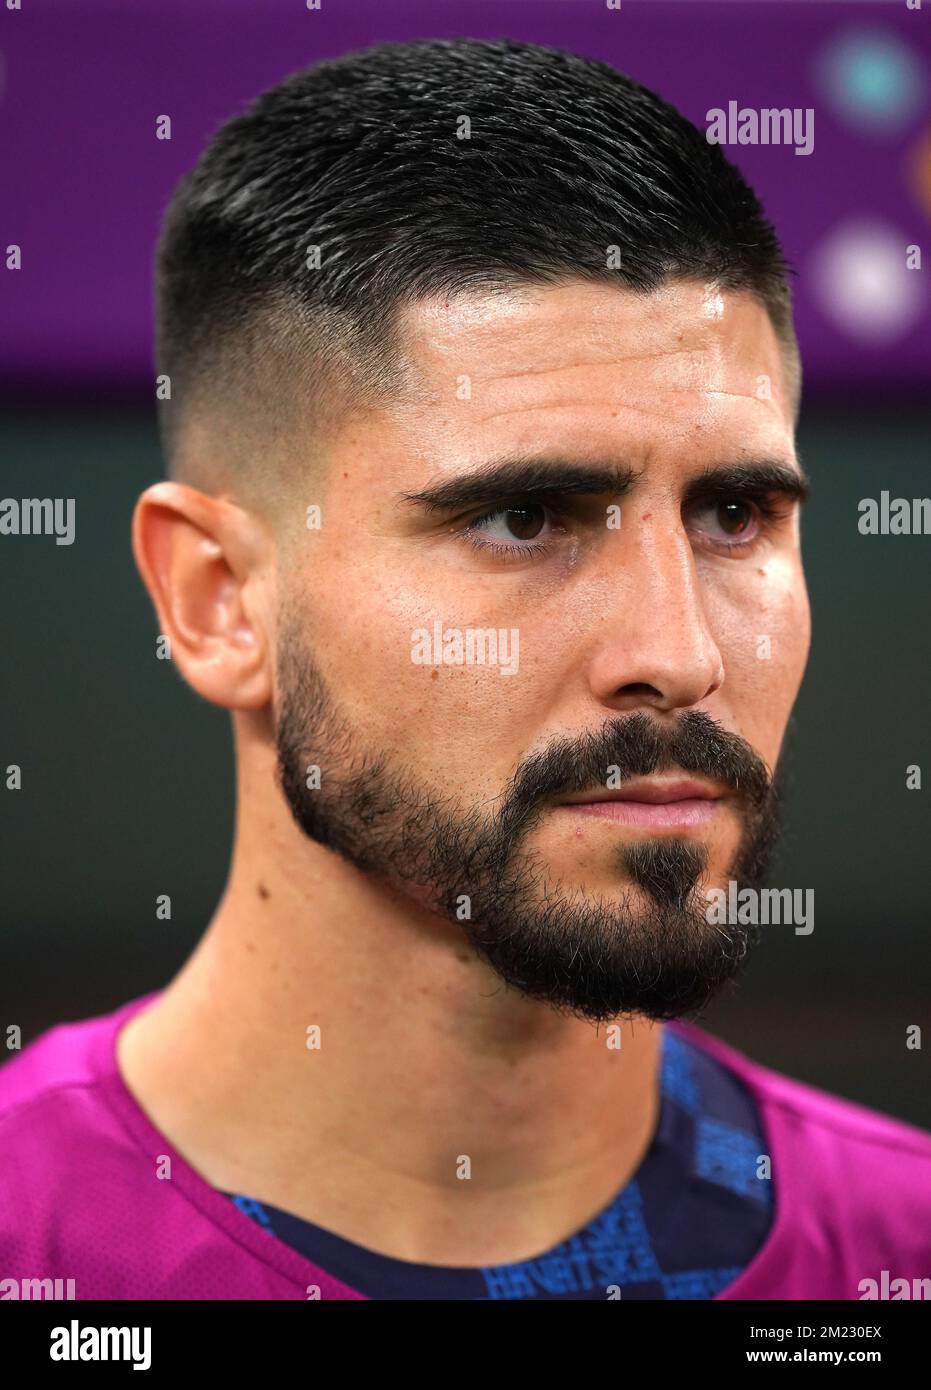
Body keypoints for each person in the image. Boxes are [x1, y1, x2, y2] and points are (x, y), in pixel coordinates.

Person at [2, 37, 929, 1302]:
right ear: (216, 601)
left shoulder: (899, 1254)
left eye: (734, 515)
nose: (678, 655)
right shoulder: (34, 1249)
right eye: (525, 517)